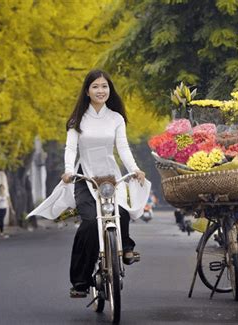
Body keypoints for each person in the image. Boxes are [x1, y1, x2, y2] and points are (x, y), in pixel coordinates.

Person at [60, 69, 147, 298]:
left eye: (105, 86)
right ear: (87, 91)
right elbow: (70, 149)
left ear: (110, 90)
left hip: (110, 177)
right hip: (85, 177)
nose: (101, 90)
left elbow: (123, 148)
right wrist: (69, 171)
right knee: (89, 224)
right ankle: (80, 282)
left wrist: (135, 170)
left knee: (122, 212)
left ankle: (126, 248)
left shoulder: (116, 118)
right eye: (96, 86)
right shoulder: (77, 120)